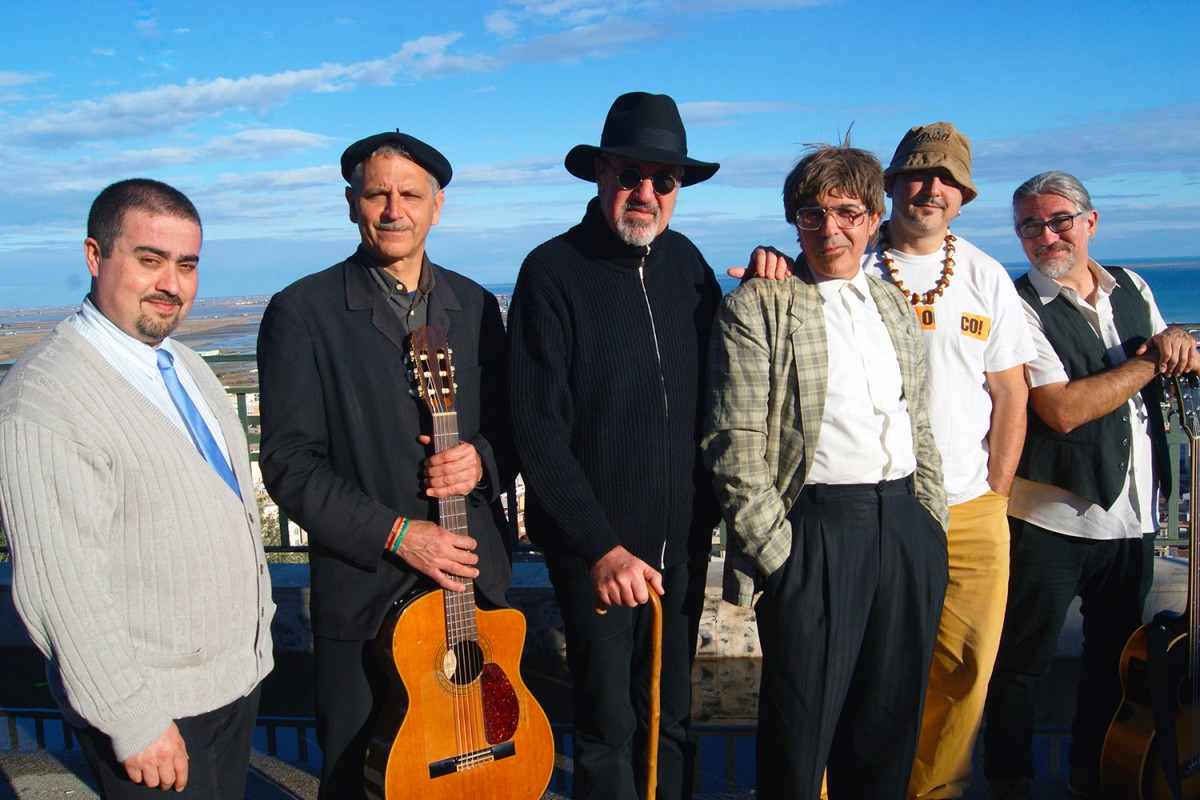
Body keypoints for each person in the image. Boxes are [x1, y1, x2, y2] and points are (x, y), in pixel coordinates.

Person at [256, 132, 514, 799]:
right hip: (366, 599)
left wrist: (481, 461)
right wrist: (398, 534)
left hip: (473, 593)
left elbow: (514, 428)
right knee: (358, 778)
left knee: (484, 776)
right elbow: (289, 464)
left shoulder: (476, 306)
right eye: (377, 194)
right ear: (352, 204)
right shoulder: (302, 312)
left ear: (438, 206)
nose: (394, 210)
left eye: (411, 195)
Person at [0, 178, 274, 798]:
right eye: (149, 260)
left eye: (186, 265)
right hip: (154, 709)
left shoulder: (185, 365)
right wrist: (132, 719)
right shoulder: (47, 396)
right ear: (95, 256)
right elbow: (60, 587)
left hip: (229, 686)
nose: (171, 284)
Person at [703, 141, 949, 799]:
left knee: (888, 736)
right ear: (795, 223)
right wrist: (780, 557)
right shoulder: (759, 306)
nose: (829, 229)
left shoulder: (893, 305)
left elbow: (918, 421)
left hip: (905, 529)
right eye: (811, 215)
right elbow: (734, 442)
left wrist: (931, 524)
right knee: (798, 739)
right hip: (815, 535)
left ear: (874, 219)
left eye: (846, 213)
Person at [507, 91, 722, 800]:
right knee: (607, 729)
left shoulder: (689, 265)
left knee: (673, 719)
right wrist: (600, 547)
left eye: (665, 180)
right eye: (630, 174)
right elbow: (536, 428)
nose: (646, 193)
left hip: (680, 546)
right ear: (601, 174)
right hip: (596, 552)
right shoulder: (552, 271)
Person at [982, 171, 1200, 800]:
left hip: (1132, 518)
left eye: (1059, 220)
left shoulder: (1132, 287)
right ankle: (1009, 781)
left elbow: (1170, 355)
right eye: (1030, 225)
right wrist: (1153, 358)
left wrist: (1176, 343)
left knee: (1116, 664)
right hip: (1048, 517)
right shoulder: (1017, 305)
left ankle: (1096, 775)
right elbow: (1063, 409)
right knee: (1019, 664)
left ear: (1090, 222)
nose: (1046, 235)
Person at [868, 122, 1036, 799]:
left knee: (965, 670)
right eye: (918, 174)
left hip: (970, 508)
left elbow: (1011, 393)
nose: (931, 188)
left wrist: (995, 491)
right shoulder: (850, 263)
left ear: (963, 197)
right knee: (864, 666)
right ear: (891, 186)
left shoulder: (985, 276)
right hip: (875, 505)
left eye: (947, 179)